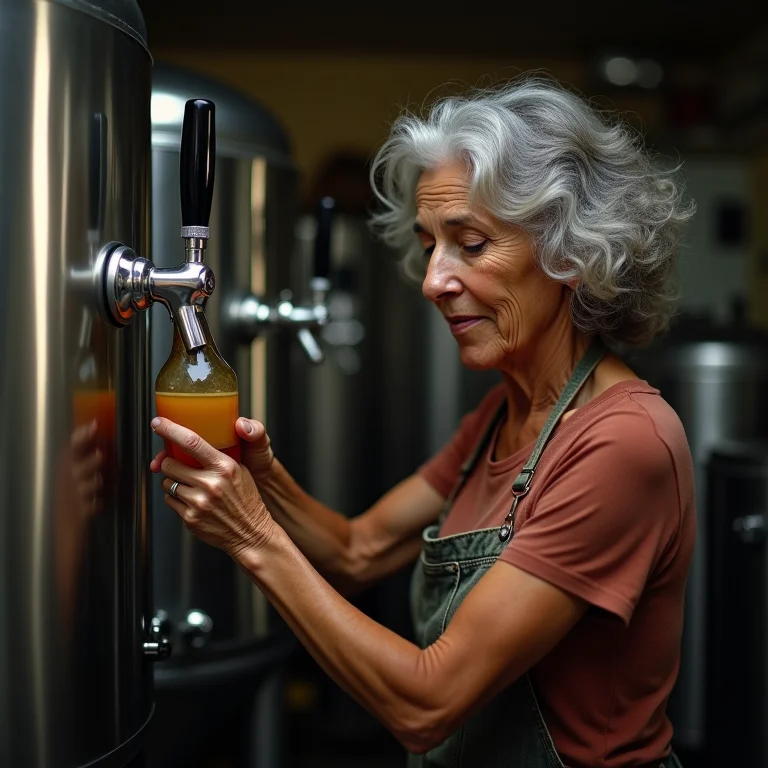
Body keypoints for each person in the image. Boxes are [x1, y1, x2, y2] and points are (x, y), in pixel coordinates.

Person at [150, 75, 696, 768]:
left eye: (469, 244)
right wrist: (261, 481)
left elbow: (427, 705)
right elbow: (357, 551)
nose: (432, 280)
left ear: (571, 254)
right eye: (430, 244)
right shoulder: (502, 414)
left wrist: (251, 533)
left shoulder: (622, 442)